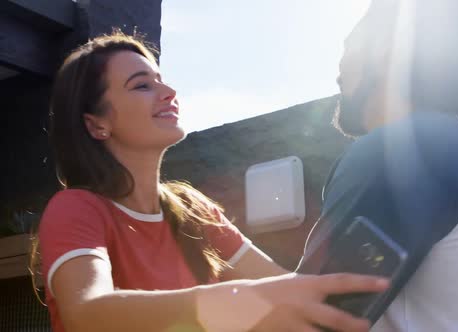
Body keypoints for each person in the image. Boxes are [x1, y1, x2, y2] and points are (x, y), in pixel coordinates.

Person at [35, 32, 389, 332]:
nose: (168, 91)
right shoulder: (76, 209)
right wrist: (232, 303)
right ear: (97, 124)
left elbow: (282, 285)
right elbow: (86, 313)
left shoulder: (193, 210)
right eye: (142, 85)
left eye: (161, 79)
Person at [297, 0, 458, 331]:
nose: (337, 72)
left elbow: (303, 319)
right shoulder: (452, 144)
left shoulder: (408, 149)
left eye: (348, 46)